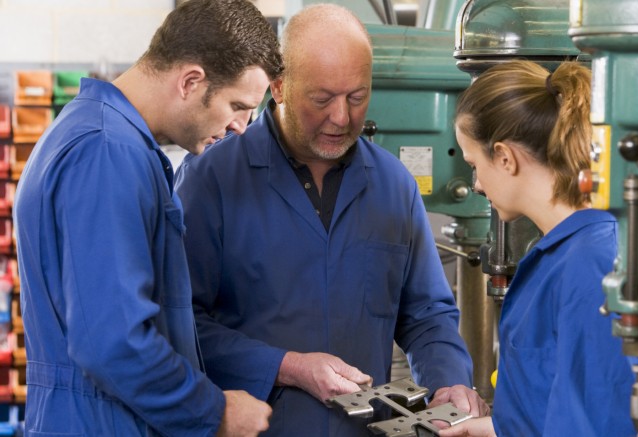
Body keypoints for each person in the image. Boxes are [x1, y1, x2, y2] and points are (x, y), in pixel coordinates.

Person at [173, 3, 488, 436]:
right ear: (279, 87)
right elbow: (180, 322)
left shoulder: (394, 185)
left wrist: (449, 381)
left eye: (357, 97)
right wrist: (286, 367)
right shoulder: (212, 177)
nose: (341, 117)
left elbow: (427, 313)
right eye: (322, 99)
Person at [13, 0, 284, 435]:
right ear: (191, 81)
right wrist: (214, 412)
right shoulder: (107, 152)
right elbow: (112, 343)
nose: (242, 126)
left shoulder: (101, 135)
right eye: (238, 105)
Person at [437, 61, 638, 436]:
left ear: (504, 156)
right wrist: (500, 429)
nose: (478, 184)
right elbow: (557, 398)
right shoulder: (558, 254)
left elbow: (603, 425)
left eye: (474, 164)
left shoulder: (592, 265)